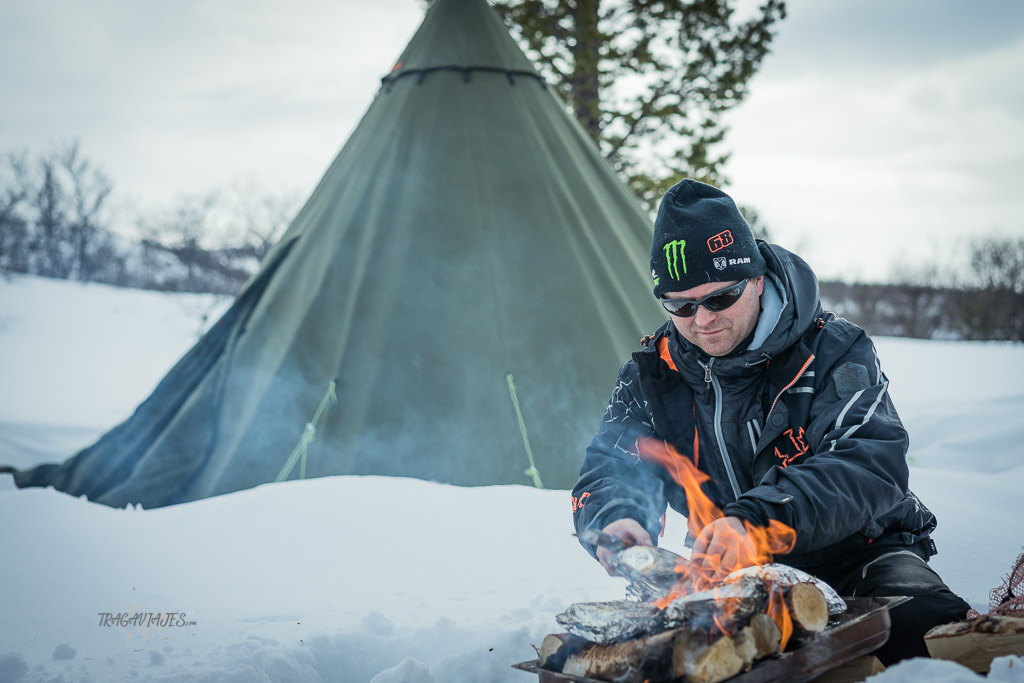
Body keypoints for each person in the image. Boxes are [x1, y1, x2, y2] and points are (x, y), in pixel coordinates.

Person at [572, 179, 970, 664]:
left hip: (859, 555)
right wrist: (618, 517)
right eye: (680, 305)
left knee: (930, 635)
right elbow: (608, 467)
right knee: (667, 660)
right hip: (727, 574)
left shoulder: (833, 349)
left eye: (719, 299)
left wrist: (757, 520)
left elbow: (872, 460)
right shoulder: (652, 375)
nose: (701, 320)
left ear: (756, 279)